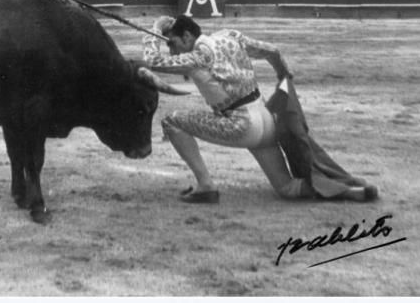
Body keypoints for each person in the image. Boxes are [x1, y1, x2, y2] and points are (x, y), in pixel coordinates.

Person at [140, 15, 378, 203]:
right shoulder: (230, 36)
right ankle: (349, 191)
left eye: (172, 43)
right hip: (267, 120)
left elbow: (154, 61)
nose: (172, 50)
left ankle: (205, 186)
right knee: (287, 189)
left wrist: (153, 28)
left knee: (171, 121)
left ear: (188, 36)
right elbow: (271, 51)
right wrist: (283, 73)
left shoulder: (199, 55)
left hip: (241, 126)